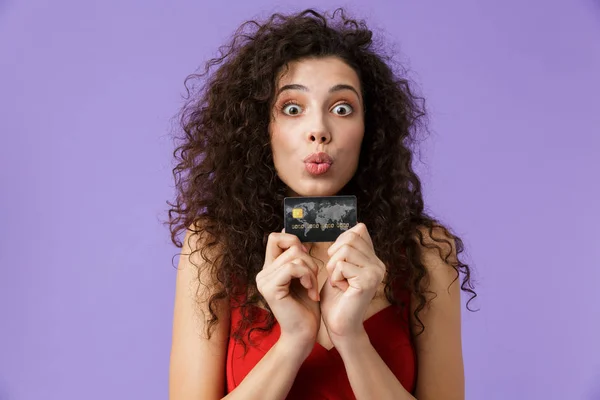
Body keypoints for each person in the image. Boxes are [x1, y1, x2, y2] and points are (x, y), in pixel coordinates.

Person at [167, 8, 476, 400]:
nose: (319, 131)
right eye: (293, 109)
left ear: (370, 128)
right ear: (262, 127)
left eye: (342, 108)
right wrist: (293, 340)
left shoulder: (427, 251)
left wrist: (351, 337)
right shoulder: (212, 249)